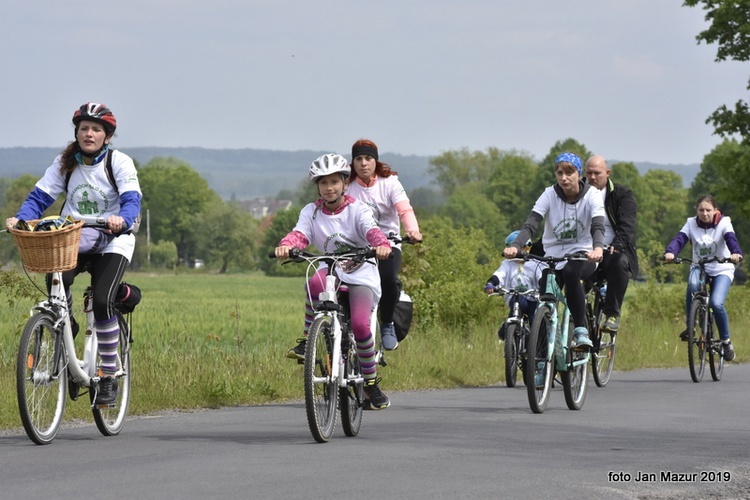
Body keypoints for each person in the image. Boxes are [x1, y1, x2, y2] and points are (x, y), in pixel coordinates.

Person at [6, 102, 142, 405]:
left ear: (107, 136)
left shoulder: (119, 162)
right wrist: (21, 218)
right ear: (77, 133)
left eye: (96, 129)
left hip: (113, 237)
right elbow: (40, 197)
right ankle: (65, 325)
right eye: (84, 129)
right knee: (56, 283)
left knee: (104, 300)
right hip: (74, 237)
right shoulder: (65, 162)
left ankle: (108, 374)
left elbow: (132, 200)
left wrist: (123, 218)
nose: (89, 134)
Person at [276, 153, 393, 410]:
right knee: (314, 282)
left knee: (362, 326)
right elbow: (300, 233)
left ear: (344, 182)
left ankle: (371, 383)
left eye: (334, 182)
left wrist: (381, 245)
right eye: (323, 183)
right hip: (331, 270)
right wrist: (287, 245)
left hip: (361, 273)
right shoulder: (312, 211)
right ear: (317, 186)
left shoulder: (357, 209)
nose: (329, 188)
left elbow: (371, 230)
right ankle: (308, 339)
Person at [503, 152, 605, 349]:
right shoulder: (549, 194)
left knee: (571, 273)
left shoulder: (592, 195)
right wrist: (515, 246)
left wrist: (598, 248)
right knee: (545, 295)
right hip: (553, 255)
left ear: (579, 173)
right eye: (559, 173)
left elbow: (598, 226)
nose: (564, 178)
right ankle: (540, 355)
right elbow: (531, 224)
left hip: (583, 253)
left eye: (569, 173)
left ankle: (580, 331)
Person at [347, 139, 423, 351]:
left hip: (388, 244)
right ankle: (343, 326)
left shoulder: (389, 182)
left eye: (368, 158)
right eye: (358, 159)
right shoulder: (347, 186)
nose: (363, 163)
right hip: (357, 246)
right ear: (352, 163)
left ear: (376, 161)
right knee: (340, 282)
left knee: (387, 279)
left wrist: (412, 231)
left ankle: (387, 323)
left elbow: (404, 210)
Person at [663, 195, 743, 361]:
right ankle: (690, 327)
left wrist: (736, 253)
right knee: (692, 285)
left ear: (715, 210)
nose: (705, 213)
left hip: (722, 267)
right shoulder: (691, 223)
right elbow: (680, 239)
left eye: (708, 210)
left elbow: (730, 239)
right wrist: (671, 252)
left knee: (716, 302)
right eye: (701, 210)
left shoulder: (724, 222)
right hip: (700, 266)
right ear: (696, 210)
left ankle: (726, 341)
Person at [584, 155, 639, 332]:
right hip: (585, 251)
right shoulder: (577, 194)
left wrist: (619, 243)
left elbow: (627, 224)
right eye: (589, 173)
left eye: (597, 173)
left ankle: (612, 313)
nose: (592, 177)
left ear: (607, 173)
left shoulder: (622, 195)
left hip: (611, 250)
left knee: (619, 263)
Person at [484, 230, 545, 340]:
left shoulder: (535, 263)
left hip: (533, 299)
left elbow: (540, 276)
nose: (519, 252)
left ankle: (540, 351)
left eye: (522, 248)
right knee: (518, 303)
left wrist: (542, 285)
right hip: (515, 297)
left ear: (528, 248)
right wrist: (491, 284)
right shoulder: (507, 264)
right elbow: (499, 275)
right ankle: (509, 327)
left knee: (535, 320)